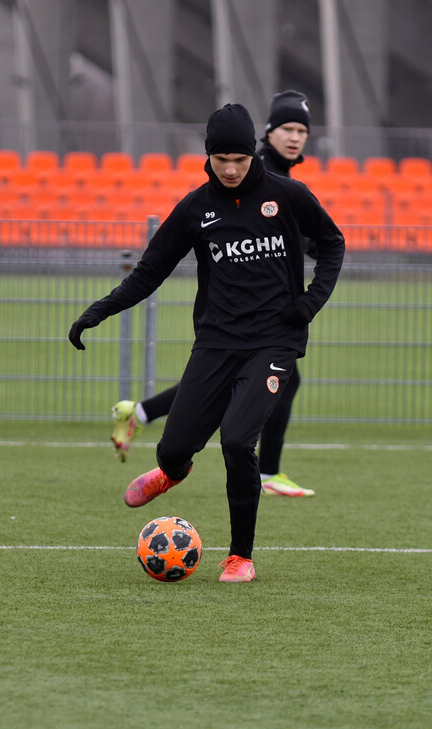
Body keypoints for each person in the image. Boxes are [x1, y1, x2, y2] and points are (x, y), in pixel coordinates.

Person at [69, 103, 345, 582]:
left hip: (273, 343)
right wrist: (99, 311)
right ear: (208, 157)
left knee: (237, 442)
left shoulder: (288, 194)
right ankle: (172, 473)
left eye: (240, 159)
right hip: (216, 343)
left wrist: (309, 303)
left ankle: (241, 557)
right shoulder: (196, 208)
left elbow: (333, 242)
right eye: (222, 160)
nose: (232, 169)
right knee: (172, 450)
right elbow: (149, 272)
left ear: (253, 154)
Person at [109, 90, 317, 499]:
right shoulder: (258, 173)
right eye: (287, 129)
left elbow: (306, 234)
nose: (295, 138)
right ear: (268, 134)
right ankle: (266, 472)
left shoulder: (283, 180)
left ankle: (144, 412)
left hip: (271, 317)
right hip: (243, 318)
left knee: (254, 382)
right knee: (250, 381)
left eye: (303, 131)